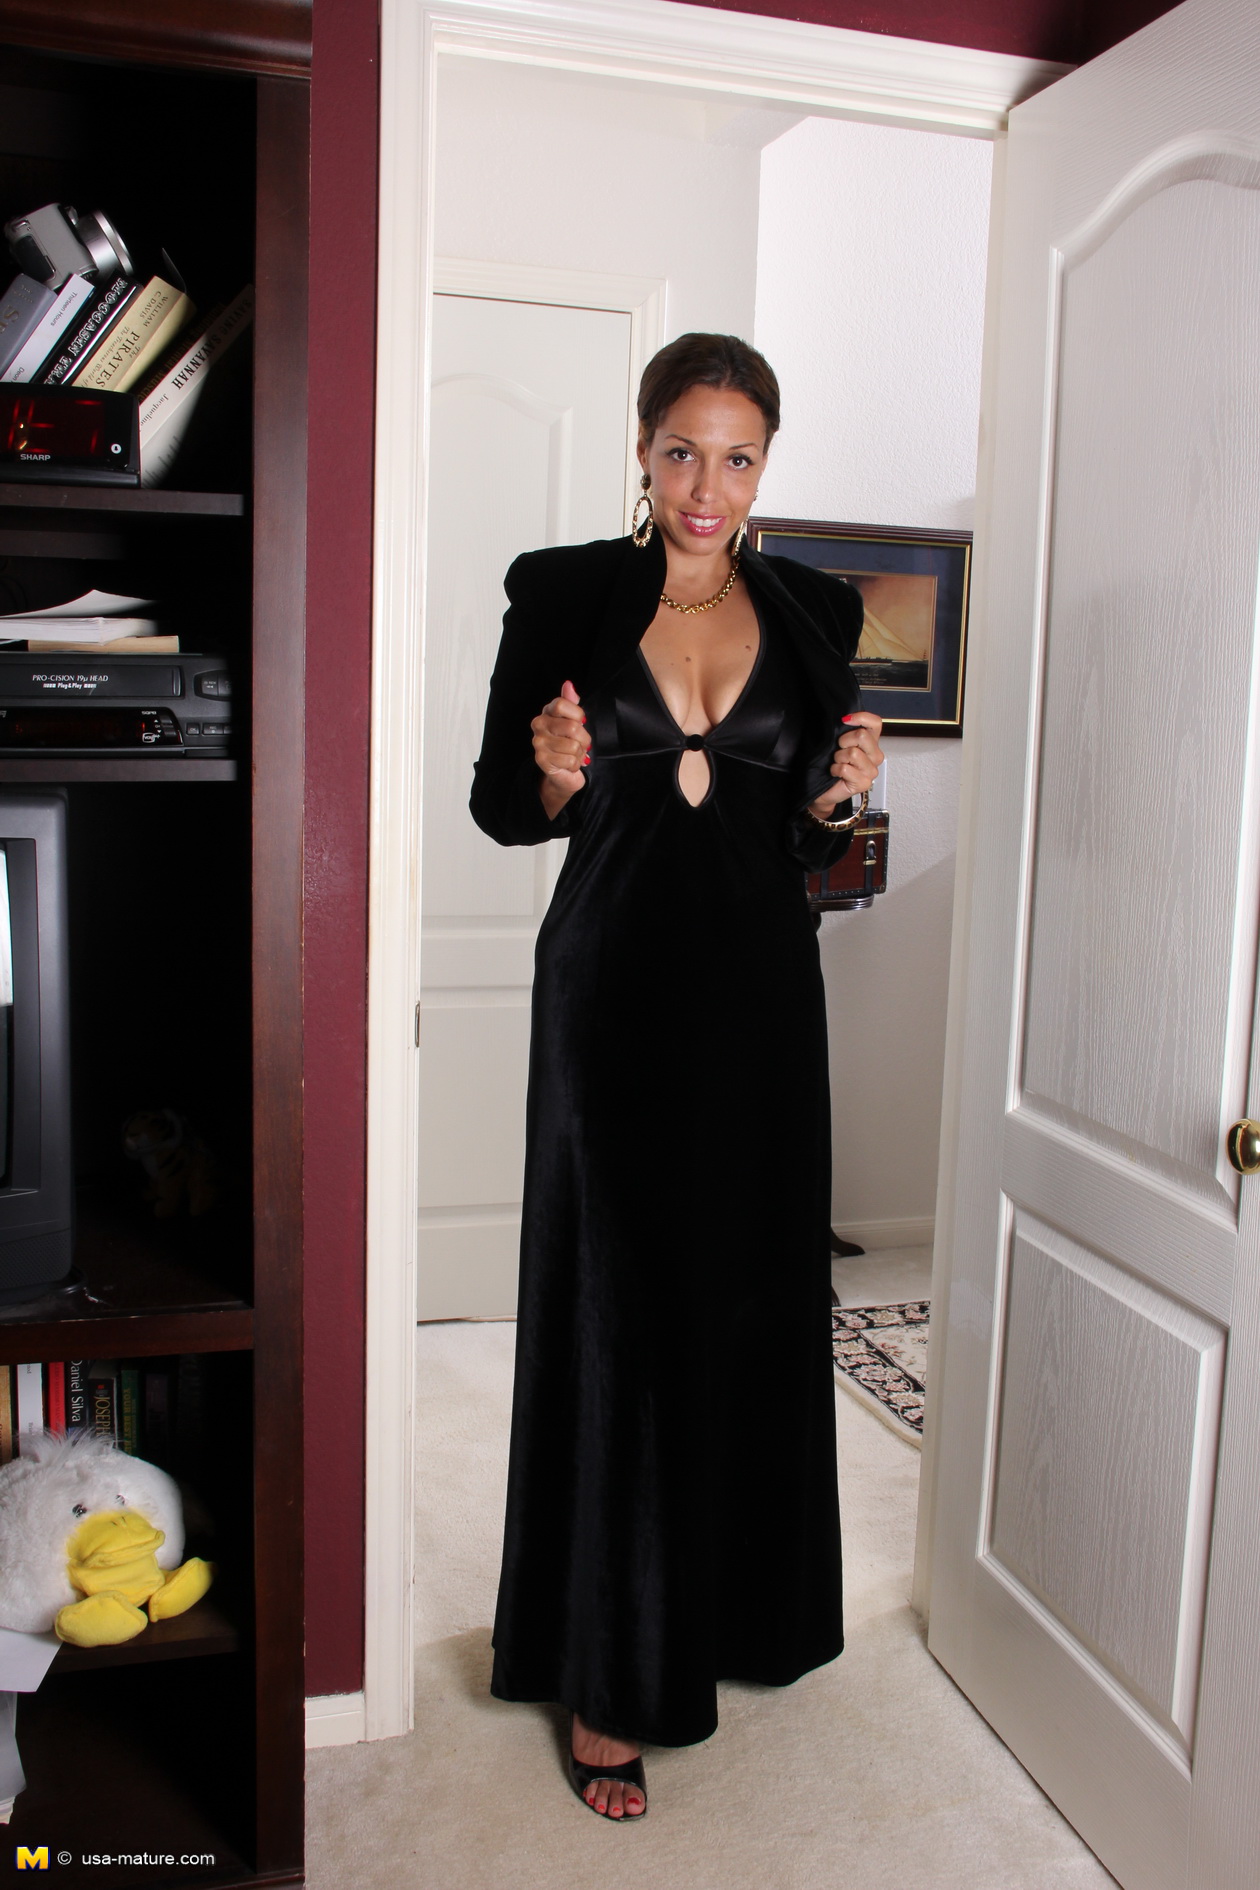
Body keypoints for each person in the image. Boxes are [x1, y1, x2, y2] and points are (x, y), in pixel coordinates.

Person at [469, 333, 884, 1821]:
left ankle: (739, 1614)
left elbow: (802, 838)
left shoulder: (818, 608)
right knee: (621, 1315)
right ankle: (610, 1675)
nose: (710, 486)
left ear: (767, 464)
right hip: (613, 995)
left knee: (751, 1302)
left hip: (765, 1001)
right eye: (683, 452)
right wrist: (557, 770)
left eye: (739, 457)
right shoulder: (561, 592)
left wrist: (837, 800)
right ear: (642, 451)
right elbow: (503, 807)